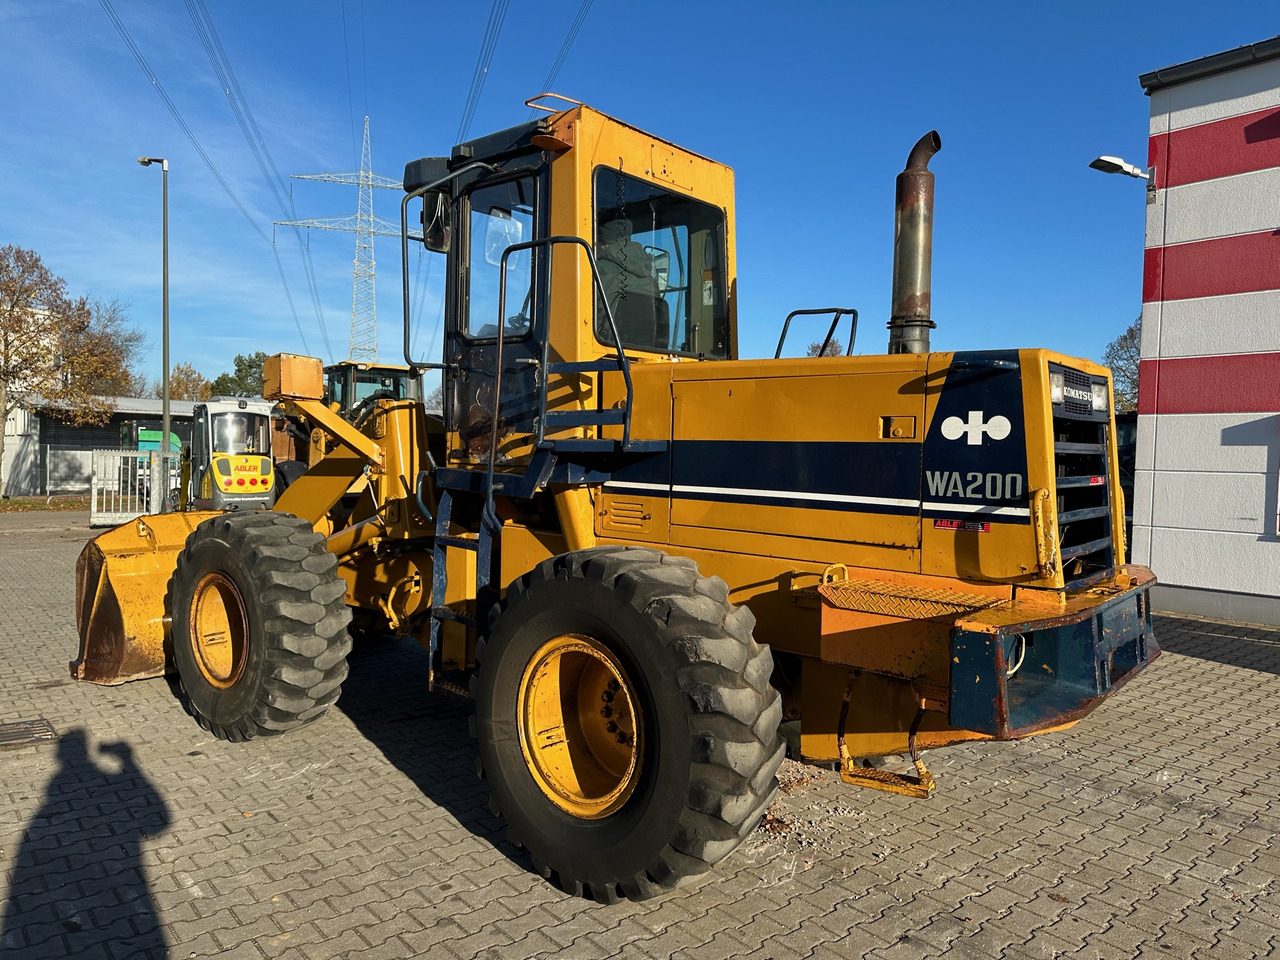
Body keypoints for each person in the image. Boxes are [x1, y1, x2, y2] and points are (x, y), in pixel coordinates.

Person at [595, 218, 667, 349]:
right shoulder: (650, 281)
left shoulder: (598, 270)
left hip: (603, 350)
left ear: (603, 244)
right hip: (646, 351)